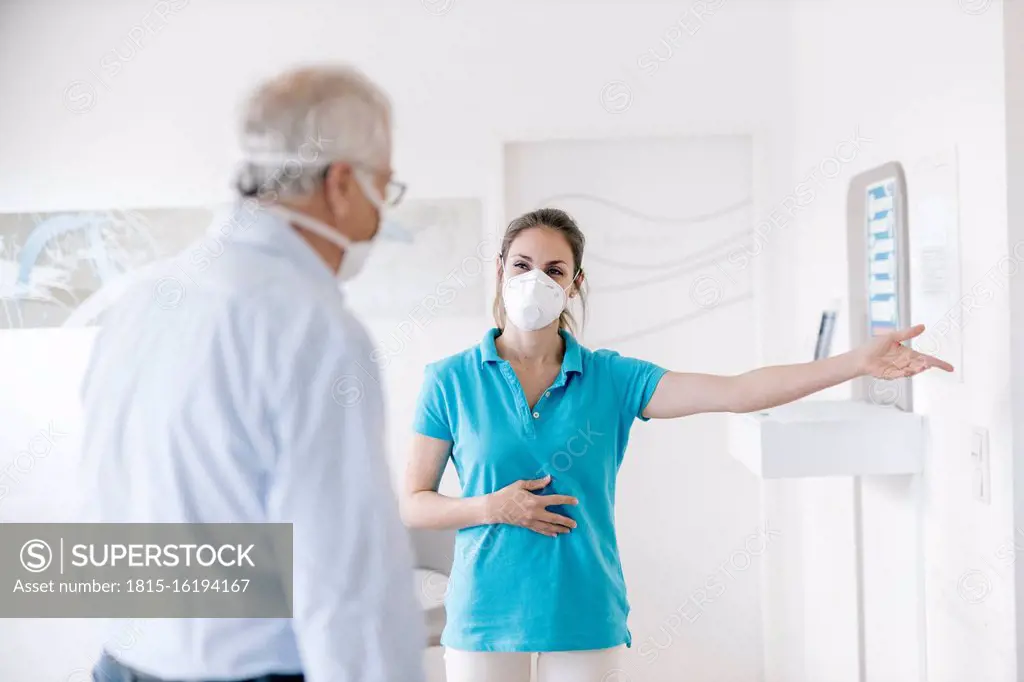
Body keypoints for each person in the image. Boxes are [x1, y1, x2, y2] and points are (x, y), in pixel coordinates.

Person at [400, 207, 953, 682]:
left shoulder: (611, 378)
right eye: (521, 265)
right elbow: (414, 501)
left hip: (584, 609)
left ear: (575, 283)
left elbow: (738, 391)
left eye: (554, 269)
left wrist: (856, 362)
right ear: (499, 270)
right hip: (484, 614)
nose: (535, 280)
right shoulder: (449, 380)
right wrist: (491, 507)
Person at [81, 66, 425, 682]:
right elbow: (347, 587)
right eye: (385, 187)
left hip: (121, 665)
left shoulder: (142, 301)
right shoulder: (309, 330)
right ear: (342, 184)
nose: (381, 215)